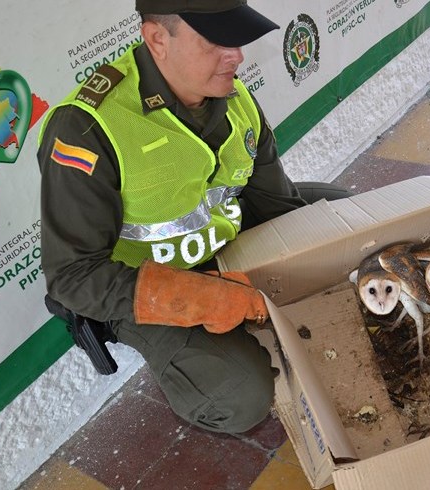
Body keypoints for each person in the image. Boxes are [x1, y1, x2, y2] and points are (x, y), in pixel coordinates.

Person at [37, 0, 347, 434]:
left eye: (236, 36)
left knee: (350, 222)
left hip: (224, 233)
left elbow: (274, 203)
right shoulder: (87, 128)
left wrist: (313, 267)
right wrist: (204, 298)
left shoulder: (232, 94)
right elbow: (73, 276)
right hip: (143, 280)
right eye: (215, 40)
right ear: (157, 39)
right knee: (239, 396)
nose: (236, 54)